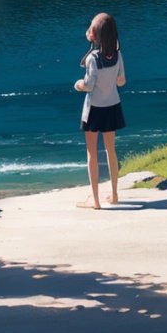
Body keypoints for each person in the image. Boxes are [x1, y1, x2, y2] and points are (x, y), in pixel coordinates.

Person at [73, 12, 126, 209]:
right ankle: (114, 194)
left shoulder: (93, 59)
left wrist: (78, 84)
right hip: (112, 105)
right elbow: (121, 81)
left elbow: (88, 84)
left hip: (94, 109)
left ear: (96, 35)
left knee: (92, 153)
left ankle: (95, 201)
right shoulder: (118, 55)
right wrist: (111, 81)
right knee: (110, 150)